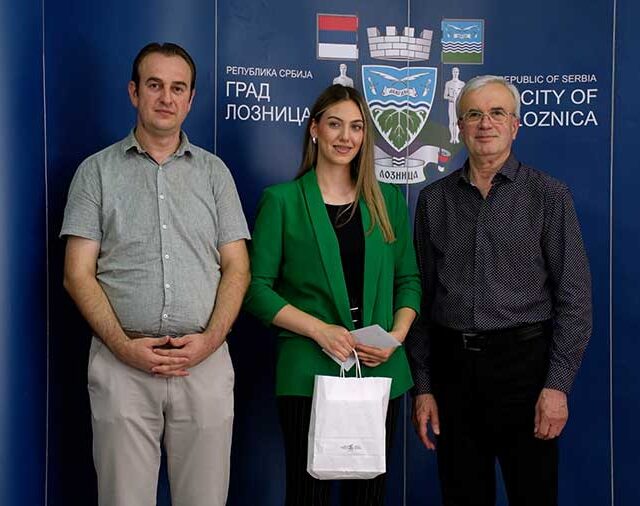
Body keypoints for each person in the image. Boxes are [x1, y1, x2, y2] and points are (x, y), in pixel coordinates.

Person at [61, 42, 250, 506]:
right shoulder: (95, 173)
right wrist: (123, 347)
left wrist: (210, 341)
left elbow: (238, 268)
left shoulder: (215, 174)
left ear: (190, 99)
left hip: (202, 365)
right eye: (154, 85)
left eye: (177, 88)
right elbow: (77, 274)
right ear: (134, 92)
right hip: (121, 366)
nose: (166, 98)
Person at [407, 75, 592, 506]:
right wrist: (424, 387)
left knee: (534, 496)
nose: (485, 123)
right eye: (473, 114)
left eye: (497, 113)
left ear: (515, 125)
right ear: (459, 126)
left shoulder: (548, 196)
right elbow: (421, 301)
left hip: (525, 370)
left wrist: (557, 386)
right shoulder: (434, 201)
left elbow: (575, 299)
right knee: (462, 496)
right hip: (453, 372)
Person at [243, 84, 421, 506]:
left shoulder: (388, 201)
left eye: (356, 127)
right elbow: (255, 289)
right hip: (308, 370)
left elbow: (409, 280)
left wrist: (395, 337)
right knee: (309, 495)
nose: (346, 137)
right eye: (335, 124)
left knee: (368, 497)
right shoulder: (282, 201)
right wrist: (318, 330)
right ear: (314, 129)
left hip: (379, 369)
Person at [443, 67, 464, 144]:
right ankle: (452, 137)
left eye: (457, 72)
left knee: (457, 121)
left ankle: (456, 137)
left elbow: (464, 95)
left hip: (458, 104)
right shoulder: (448, 83)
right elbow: (445, 96)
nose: (455, 73)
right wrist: (452, 97)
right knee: (451, 121)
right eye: (454, 72)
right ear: (452, 72)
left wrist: (457, 96)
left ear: (459, 73)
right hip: (451, 104)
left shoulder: (462, 84)